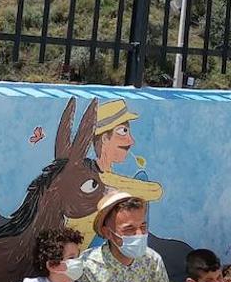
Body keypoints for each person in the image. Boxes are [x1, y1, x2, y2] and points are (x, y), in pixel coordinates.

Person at [67, 99, 164, 244]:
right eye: (123, 131)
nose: (131, 141)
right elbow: (154, 191)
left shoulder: (108, 178)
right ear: (105, 138)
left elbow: (156, 191)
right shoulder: (92, 179)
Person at [79, 191, 172, 282]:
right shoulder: (87, 265)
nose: (139, 234)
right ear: (107, 233)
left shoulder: (153, 261)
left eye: (143, 227)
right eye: (129, 229)